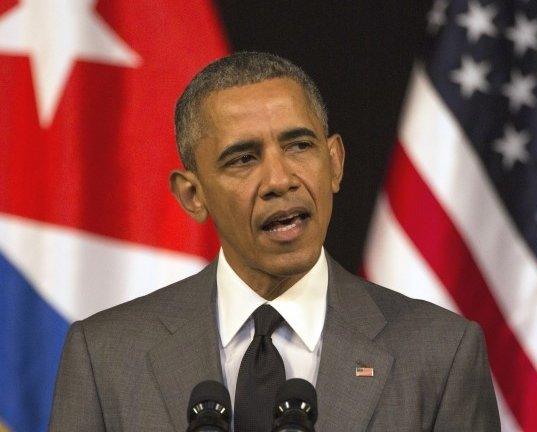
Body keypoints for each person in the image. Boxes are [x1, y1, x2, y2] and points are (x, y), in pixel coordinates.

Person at [49, 52, 500, 431]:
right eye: (243, 158)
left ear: (335, 162)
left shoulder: (440, 355)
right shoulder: (105, 357)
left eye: (300, 146)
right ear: (193, 195)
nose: (280, 180)